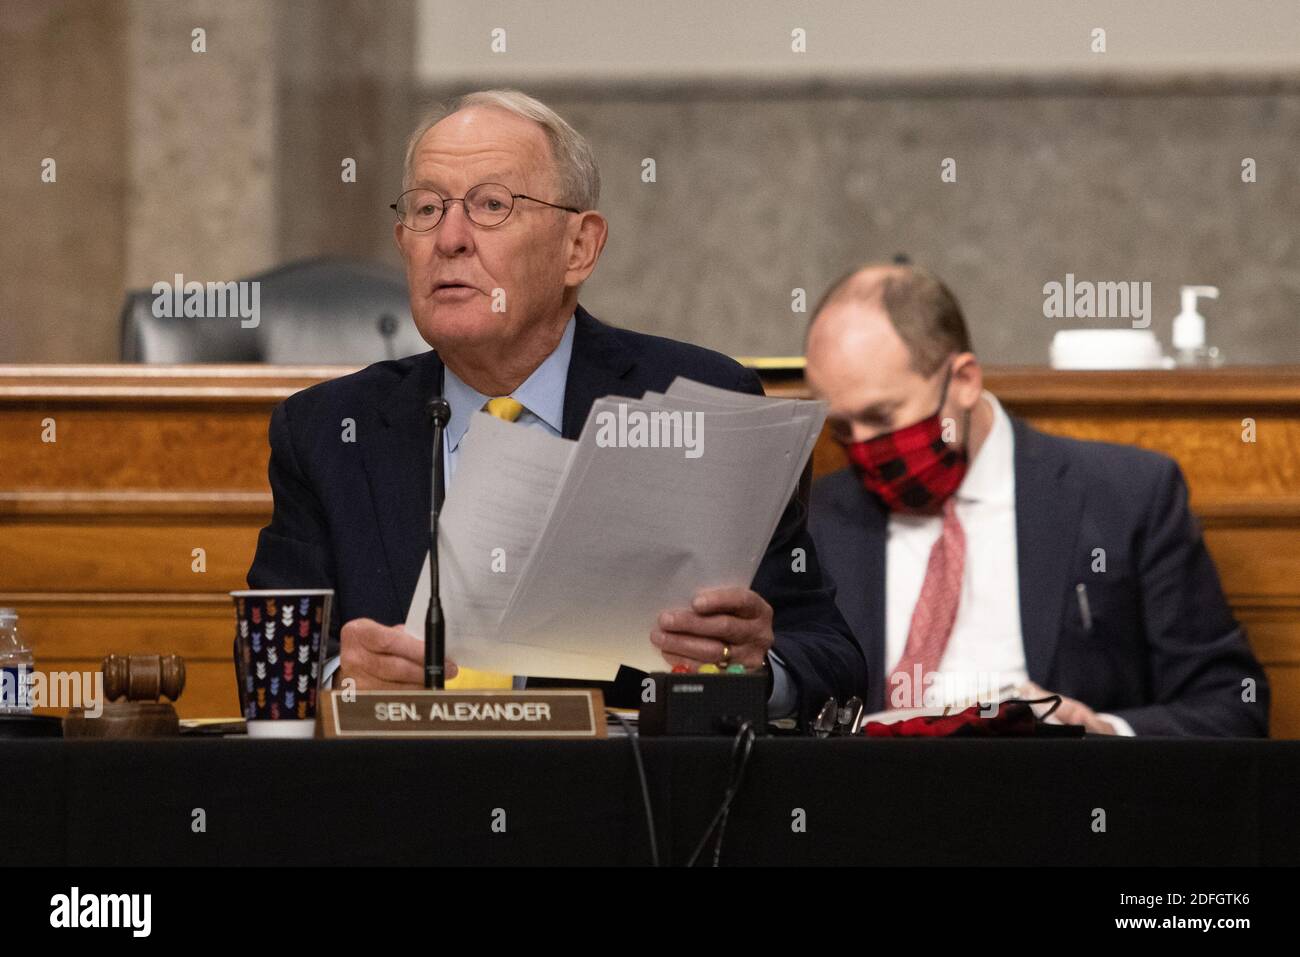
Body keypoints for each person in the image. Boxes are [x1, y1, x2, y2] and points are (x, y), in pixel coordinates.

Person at [246, 89, 867, 723]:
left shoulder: (705, 404)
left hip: (620, 808)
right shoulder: (329, 432)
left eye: (491, 206)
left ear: (579, 248)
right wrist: (340, 681)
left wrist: (754, 670)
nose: (450, 238)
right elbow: (268, 668)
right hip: (402, 801)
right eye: (427, 209)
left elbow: (831, 660)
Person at [804, 263, 1268, 736]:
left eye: (881, 417)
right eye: (841, 427)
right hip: (876, 795)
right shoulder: (819, 519)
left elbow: (1233, 706)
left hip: (1065, 796)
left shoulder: (1127, 496)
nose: (862, 445)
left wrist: (1100, 731)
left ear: (963, 381)